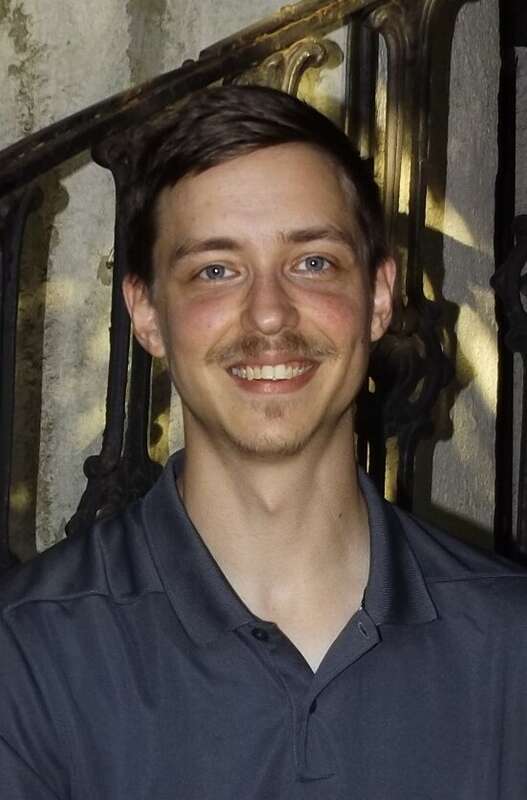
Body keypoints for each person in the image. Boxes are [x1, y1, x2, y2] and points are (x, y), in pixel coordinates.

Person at [1, 85, 527, 800]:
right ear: (147, 314)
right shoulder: (27, 657)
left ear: (377, 297)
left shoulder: (510, 645)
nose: (270, 315)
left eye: (312, 262)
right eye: (215, 271)